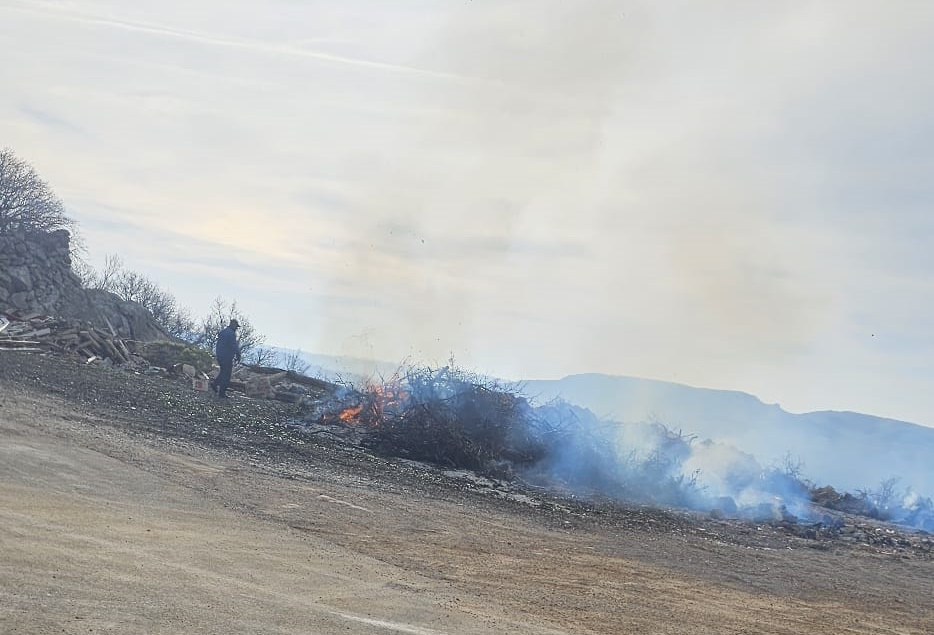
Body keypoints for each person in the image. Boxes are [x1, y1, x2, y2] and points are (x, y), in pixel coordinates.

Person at [210, 319, 241, 398]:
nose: (236, 329)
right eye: (236, 327)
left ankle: (215, 384)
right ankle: (222, 392)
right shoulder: (231, 334)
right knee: (227, 374)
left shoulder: (223, 331)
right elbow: (233, 345)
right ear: (233, 325)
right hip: (226, 356)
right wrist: (238, 355)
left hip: (220, 355)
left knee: (223, 371)